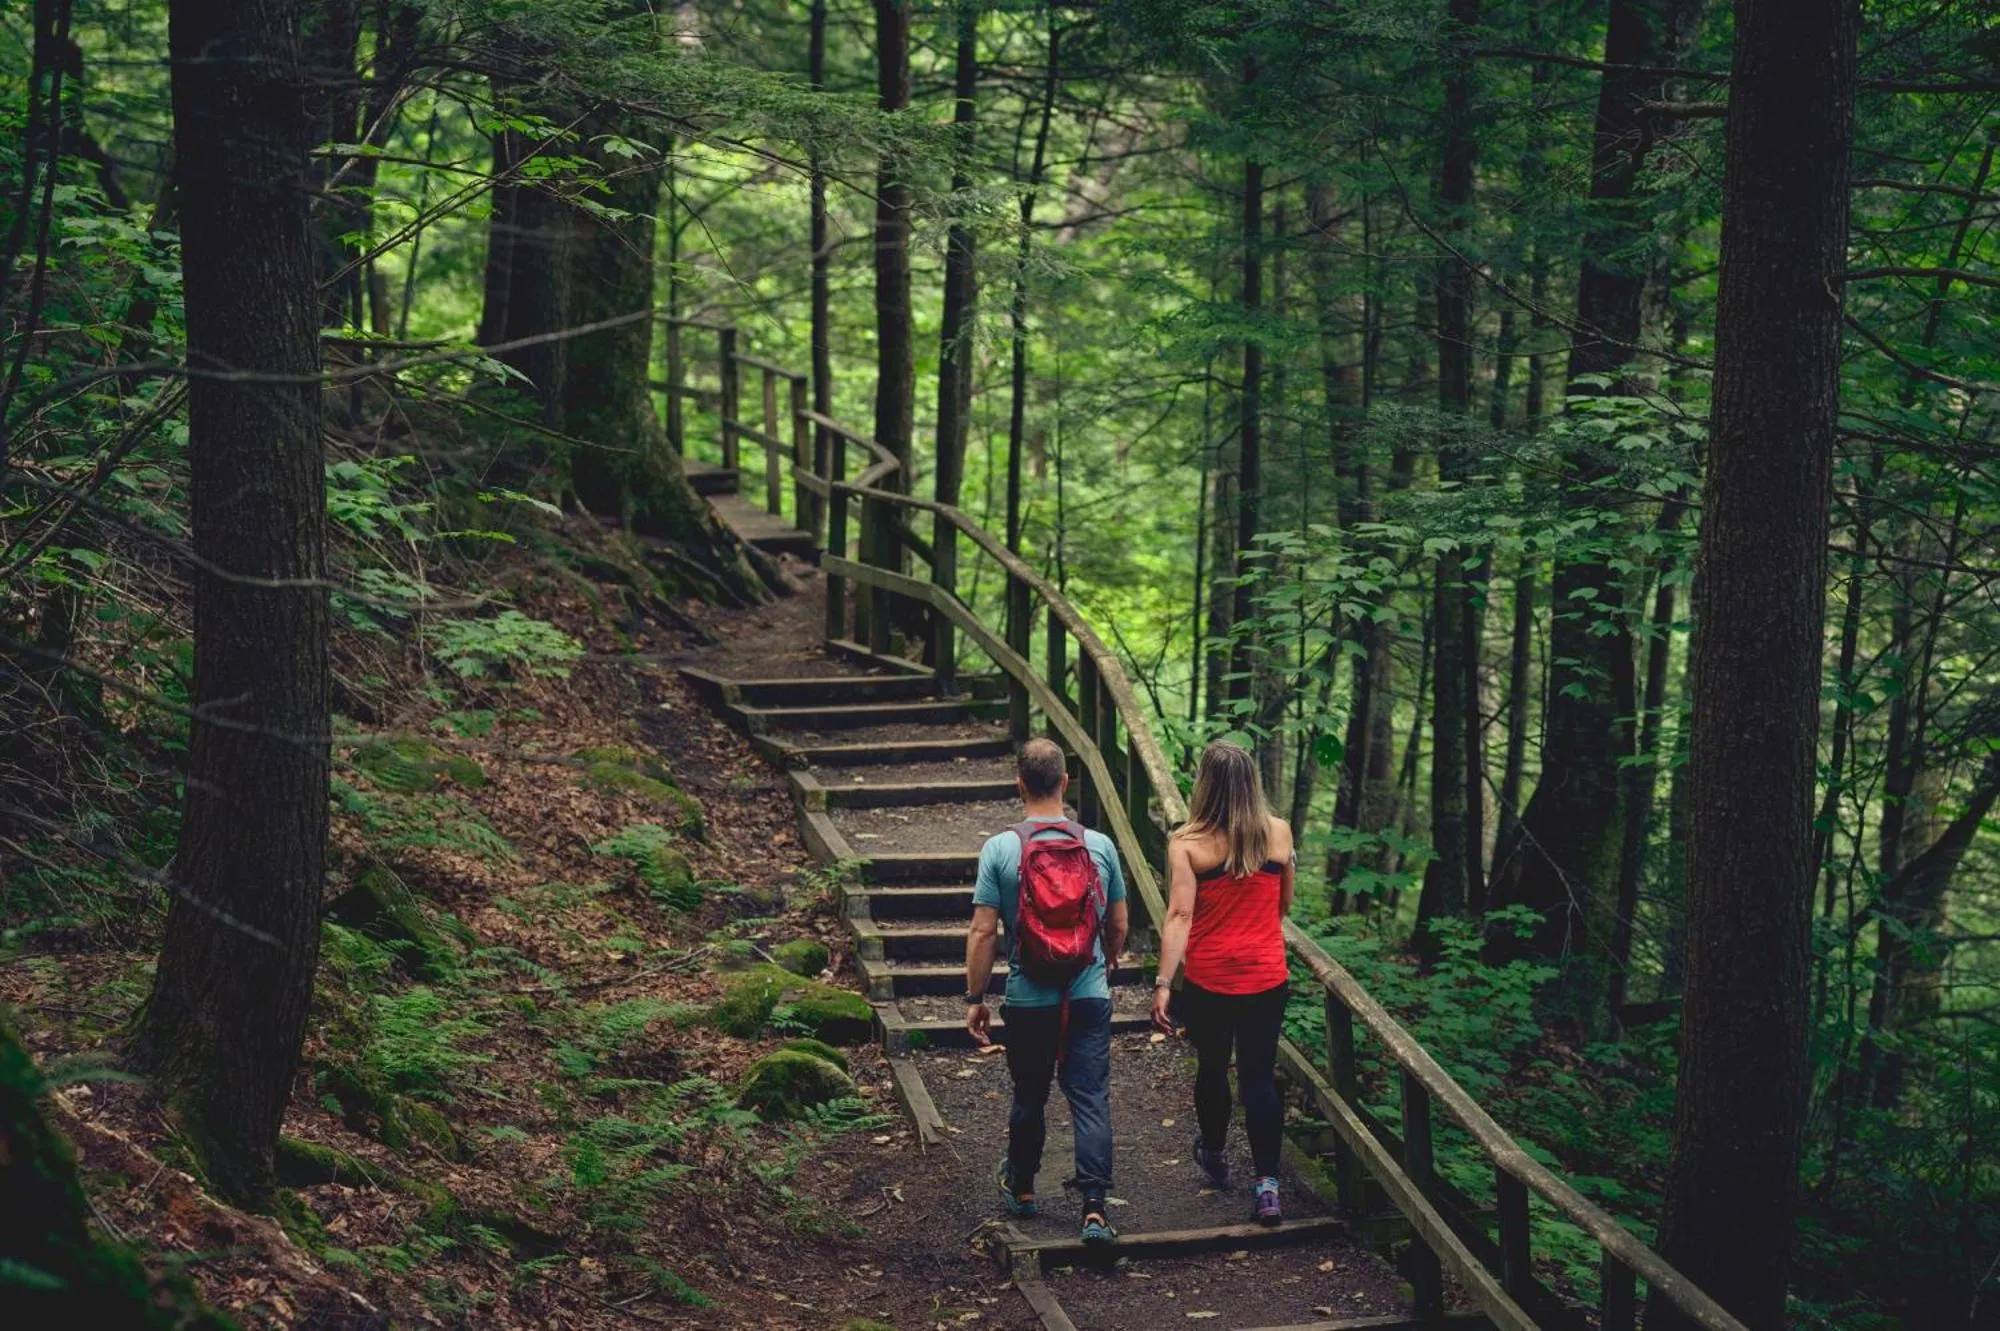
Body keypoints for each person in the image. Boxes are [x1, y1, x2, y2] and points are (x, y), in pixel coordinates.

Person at [964, 736, 1130, 1246]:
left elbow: (984, 931)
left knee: (1030, 1094)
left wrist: (975, 999)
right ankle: (1096, 1210)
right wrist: (1105, 962)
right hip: (1086, 991)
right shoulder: (1099, 845)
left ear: (1019, 786)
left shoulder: (1000, 848)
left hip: (1029, 995)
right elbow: (1118, 922)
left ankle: (1024, 1189)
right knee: (1090, 1097)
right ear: (1065, 782)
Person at [1151, 739, 1295, 1225]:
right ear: (1251, 783)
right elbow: (1284, 905)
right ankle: (1268, 1187)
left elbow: (1179, 915)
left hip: (1211, 979)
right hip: (1267, 975)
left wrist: (1164, 982)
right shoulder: (1277, 834)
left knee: (1212, 1069)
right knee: (1258, 1078)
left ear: (1205, 785)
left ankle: (1213, 1153)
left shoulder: (1188, 844)